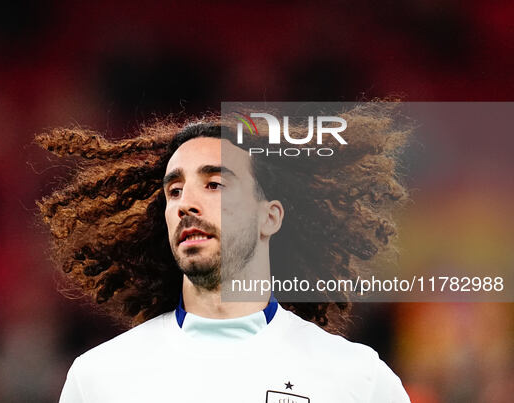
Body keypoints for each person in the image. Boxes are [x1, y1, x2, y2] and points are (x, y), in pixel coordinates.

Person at [36, 107, 411, 402]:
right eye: (175, 191)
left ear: (270, 217)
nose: (187, 205)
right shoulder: (99, 380)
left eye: (214, 184)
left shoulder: (359, 381)